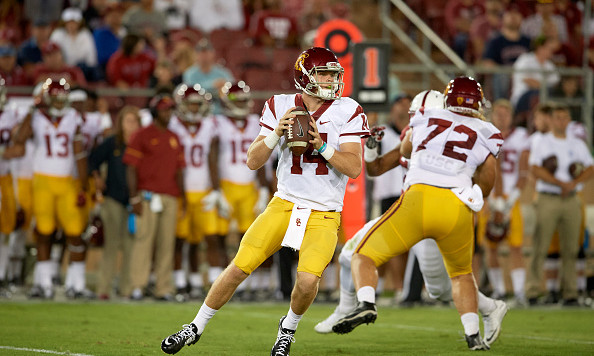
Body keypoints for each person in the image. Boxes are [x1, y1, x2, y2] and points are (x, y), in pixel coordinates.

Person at [161, 46, 369, 355]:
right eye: (324, 73)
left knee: (308, 281)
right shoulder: (280, 105)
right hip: (284, 202)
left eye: (333, 74)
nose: (331, 80)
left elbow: (354, 167)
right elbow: (253, 161)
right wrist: (275, 134)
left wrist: (321, 145)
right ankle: (195, 326)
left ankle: (287, 329)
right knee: (239, 267)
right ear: (306, 76)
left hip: (324, 211)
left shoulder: (348, 109)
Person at [316, 89, 508, 348]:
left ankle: (491, 306)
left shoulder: (435, 132)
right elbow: (377, 168)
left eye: (420, 114)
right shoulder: (419, 133)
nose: (417, 119)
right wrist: (371, 148)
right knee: (350, 253)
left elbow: (479, 176)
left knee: (440, 289)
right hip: (410, 210)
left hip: (433, 211)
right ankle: (347, 307)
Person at [13, 78, 89, 299]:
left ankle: (77, 284)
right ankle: (43, 283)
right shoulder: (36, 117)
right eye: (55, 99)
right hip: (43, 182)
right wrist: (31, 110)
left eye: (62, 98)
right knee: (44, 232)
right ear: (46, 99)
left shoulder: (73, 117)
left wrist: (83, 186)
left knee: (76, 232)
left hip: (66, 181)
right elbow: (19, 138)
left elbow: (79, 153)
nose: (59, 103)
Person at [526, 104, 594, 306]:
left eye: (565, 117)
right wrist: (560, 183)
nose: (560, 121)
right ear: (551, 120)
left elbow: (591, 167)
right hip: (548, 196)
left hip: (572, 197)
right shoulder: (541, 141)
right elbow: (535, 169)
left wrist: (572, 183)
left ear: (569, 121)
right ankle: (532, 291)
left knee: (571, 248)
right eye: (557, 117)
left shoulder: (577, 143)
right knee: (540, 245)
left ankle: (570, 293)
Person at [168, 83, 228, 301]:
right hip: (181, 191)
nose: (194, 109)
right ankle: (184, 282)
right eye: (190, 105)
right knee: (182, 241)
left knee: (210, 237)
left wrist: (216, 190)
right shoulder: (172, 124)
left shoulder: (210, 125)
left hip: (203, 191)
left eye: (197, 105)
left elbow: (212, 159)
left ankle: (214, 283)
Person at [123, 94, 185, 301]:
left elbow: (179, 171)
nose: (168, 113)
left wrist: (182, 198)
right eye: (164, 109)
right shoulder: (141, 135)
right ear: (154, 112)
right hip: (147, 196)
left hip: (170, 196)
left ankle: (163, 287)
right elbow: (131, 168)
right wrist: (134, 198)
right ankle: (137, 286)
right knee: (143, 241)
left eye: (170, 109)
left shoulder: (174, 137)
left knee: (166, 244)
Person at [217, 81, 273, 300]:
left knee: (252, 238)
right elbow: (212, 154)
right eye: (237, 99)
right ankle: (221, 281)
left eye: (243, 99)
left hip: (251, 186)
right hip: (226, 185)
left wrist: (262, 189)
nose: (241, 103)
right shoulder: (217, 123)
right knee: (219, 235)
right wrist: (215, 190)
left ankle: (255, 285)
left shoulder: (254, 123)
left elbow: (261, 156)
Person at [90, 106, 141, 300]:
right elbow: (93, 160)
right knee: (111, 244)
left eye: (134, 121)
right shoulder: (113, 143)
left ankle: (126, 289)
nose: (131, 125)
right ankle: (104, 288)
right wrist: (97, 178)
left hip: (134, 201)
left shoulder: (142, 143)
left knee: (131, 246)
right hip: (113, 198)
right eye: (128, 121)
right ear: (120, 123)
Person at [483, 99, 529, 304]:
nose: (502, 117)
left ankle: (519, 292)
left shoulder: (521, 136)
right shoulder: (484, 133)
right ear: (493, 116)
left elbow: (524, 171)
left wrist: (510, 200)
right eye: (498, 113)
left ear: (512, 116)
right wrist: (492, 199)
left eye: (506, 114)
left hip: (512, 198)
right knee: (490, 244)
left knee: (516, 245)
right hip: (489, 197)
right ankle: (499, 290)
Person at [50, 8, 98, 81]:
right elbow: (52, 53)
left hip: (82, 70)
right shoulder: (58, 34)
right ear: (64, 22)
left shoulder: (85, 34)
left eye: (74, 22)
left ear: (79, 23)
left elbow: (91, 59)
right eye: (69, 22)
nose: (71, 25)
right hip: (62, 70)